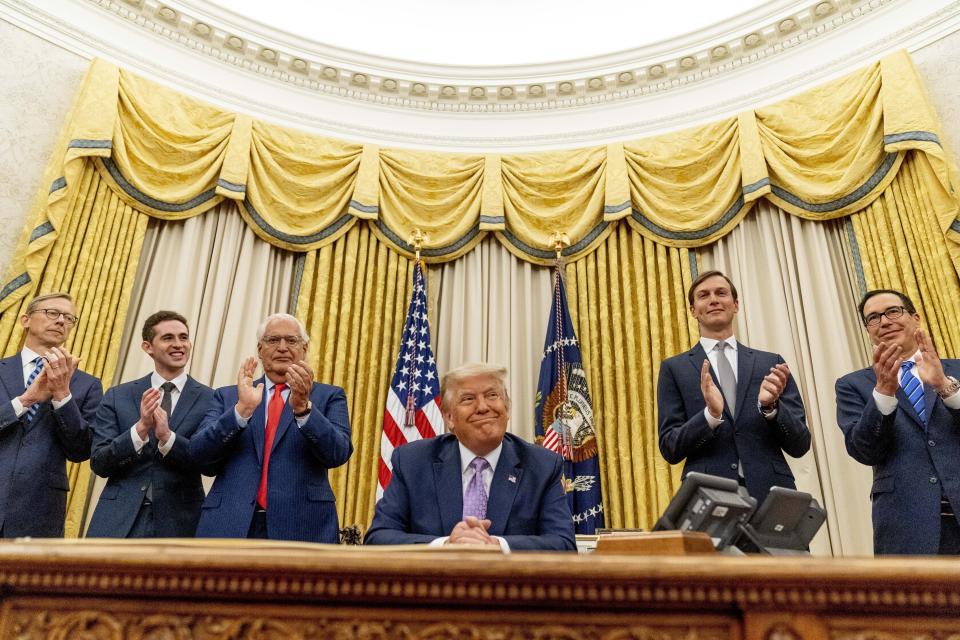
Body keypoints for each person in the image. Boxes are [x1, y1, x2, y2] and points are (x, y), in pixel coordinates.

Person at [365, 363, 575, 551]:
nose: (483, 407)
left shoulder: (542, 465)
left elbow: (563, 544)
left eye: (492, 395)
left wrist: (496, 545)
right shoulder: (413, 461)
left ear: (507, 408)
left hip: (510, 590)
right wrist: (446, 545)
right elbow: (378, 538)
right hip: (435, 589)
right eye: (468, 399)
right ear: (449, 417)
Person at [190, 313, 352, 543]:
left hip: (303, 526)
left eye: (292, 341)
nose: (283, 348)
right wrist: (241, 411)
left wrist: (304, 409)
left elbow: (338, 453)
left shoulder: (329, 396)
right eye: (273, 340)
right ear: (260, 348)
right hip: (230, 525)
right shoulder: (228, 396)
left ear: (304, 348)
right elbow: (199, 455)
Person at [657, 271, 811, 506]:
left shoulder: (771, 363)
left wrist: (771, 408)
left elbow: (800, 444)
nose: (714, 300)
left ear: (736, 304)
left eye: (721, 293)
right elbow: (670, 448)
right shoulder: (673, 369)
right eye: (703, 295)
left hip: (773, 496)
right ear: (693, 310)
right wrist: (710, 415)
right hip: (707, 499)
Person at [835, 289, 960, 555]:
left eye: (893, 311)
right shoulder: (853, 385)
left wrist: (943, 386)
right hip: (906, 525)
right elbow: (863, 450)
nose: (885, 321)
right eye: (873, 318)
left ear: (915, 318)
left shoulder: (956, 370)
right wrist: (883, 393)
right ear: (868, 330)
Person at [87, 311, 213, 538]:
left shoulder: (211, 398)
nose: (179, 344)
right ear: (148, 347)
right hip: (118, 519)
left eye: (183, 337)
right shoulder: (118, 395)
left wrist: (168, 438)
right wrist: (140, 429)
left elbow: (207, 461)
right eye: (168, 338)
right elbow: (100, 463)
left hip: (181, 522)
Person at [0, 292, 102, 537]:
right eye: (52, 313)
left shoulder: (86, 384)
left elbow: (81, 451)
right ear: (26, 320)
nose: (61, 321)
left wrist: (62, 396)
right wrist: (26, 400)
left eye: (69, 318)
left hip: (38, 510)